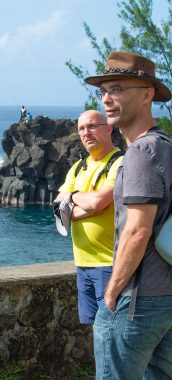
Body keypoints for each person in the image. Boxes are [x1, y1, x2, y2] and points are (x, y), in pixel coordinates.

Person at [85, 51, 172, 378]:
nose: (107, 98)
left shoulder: (141, 152)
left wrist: (111, 295)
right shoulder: (166, 145)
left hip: (138, 300)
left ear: (147, 94)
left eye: (118, 89)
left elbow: (137, 230)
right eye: (104, 91)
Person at [55, 110, 123, 324]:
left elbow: (97, 201)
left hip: (109, 264)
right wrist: (89, 209)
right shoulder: (78, 168)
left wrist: (73, 197)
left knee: (112, 329)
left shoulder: (120, 163)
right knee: (93, 329)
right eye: (82, 128)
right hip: (82, 264)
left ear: (109, 128)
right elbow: (58, 207)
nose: (87, 132)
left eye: (92, 126)